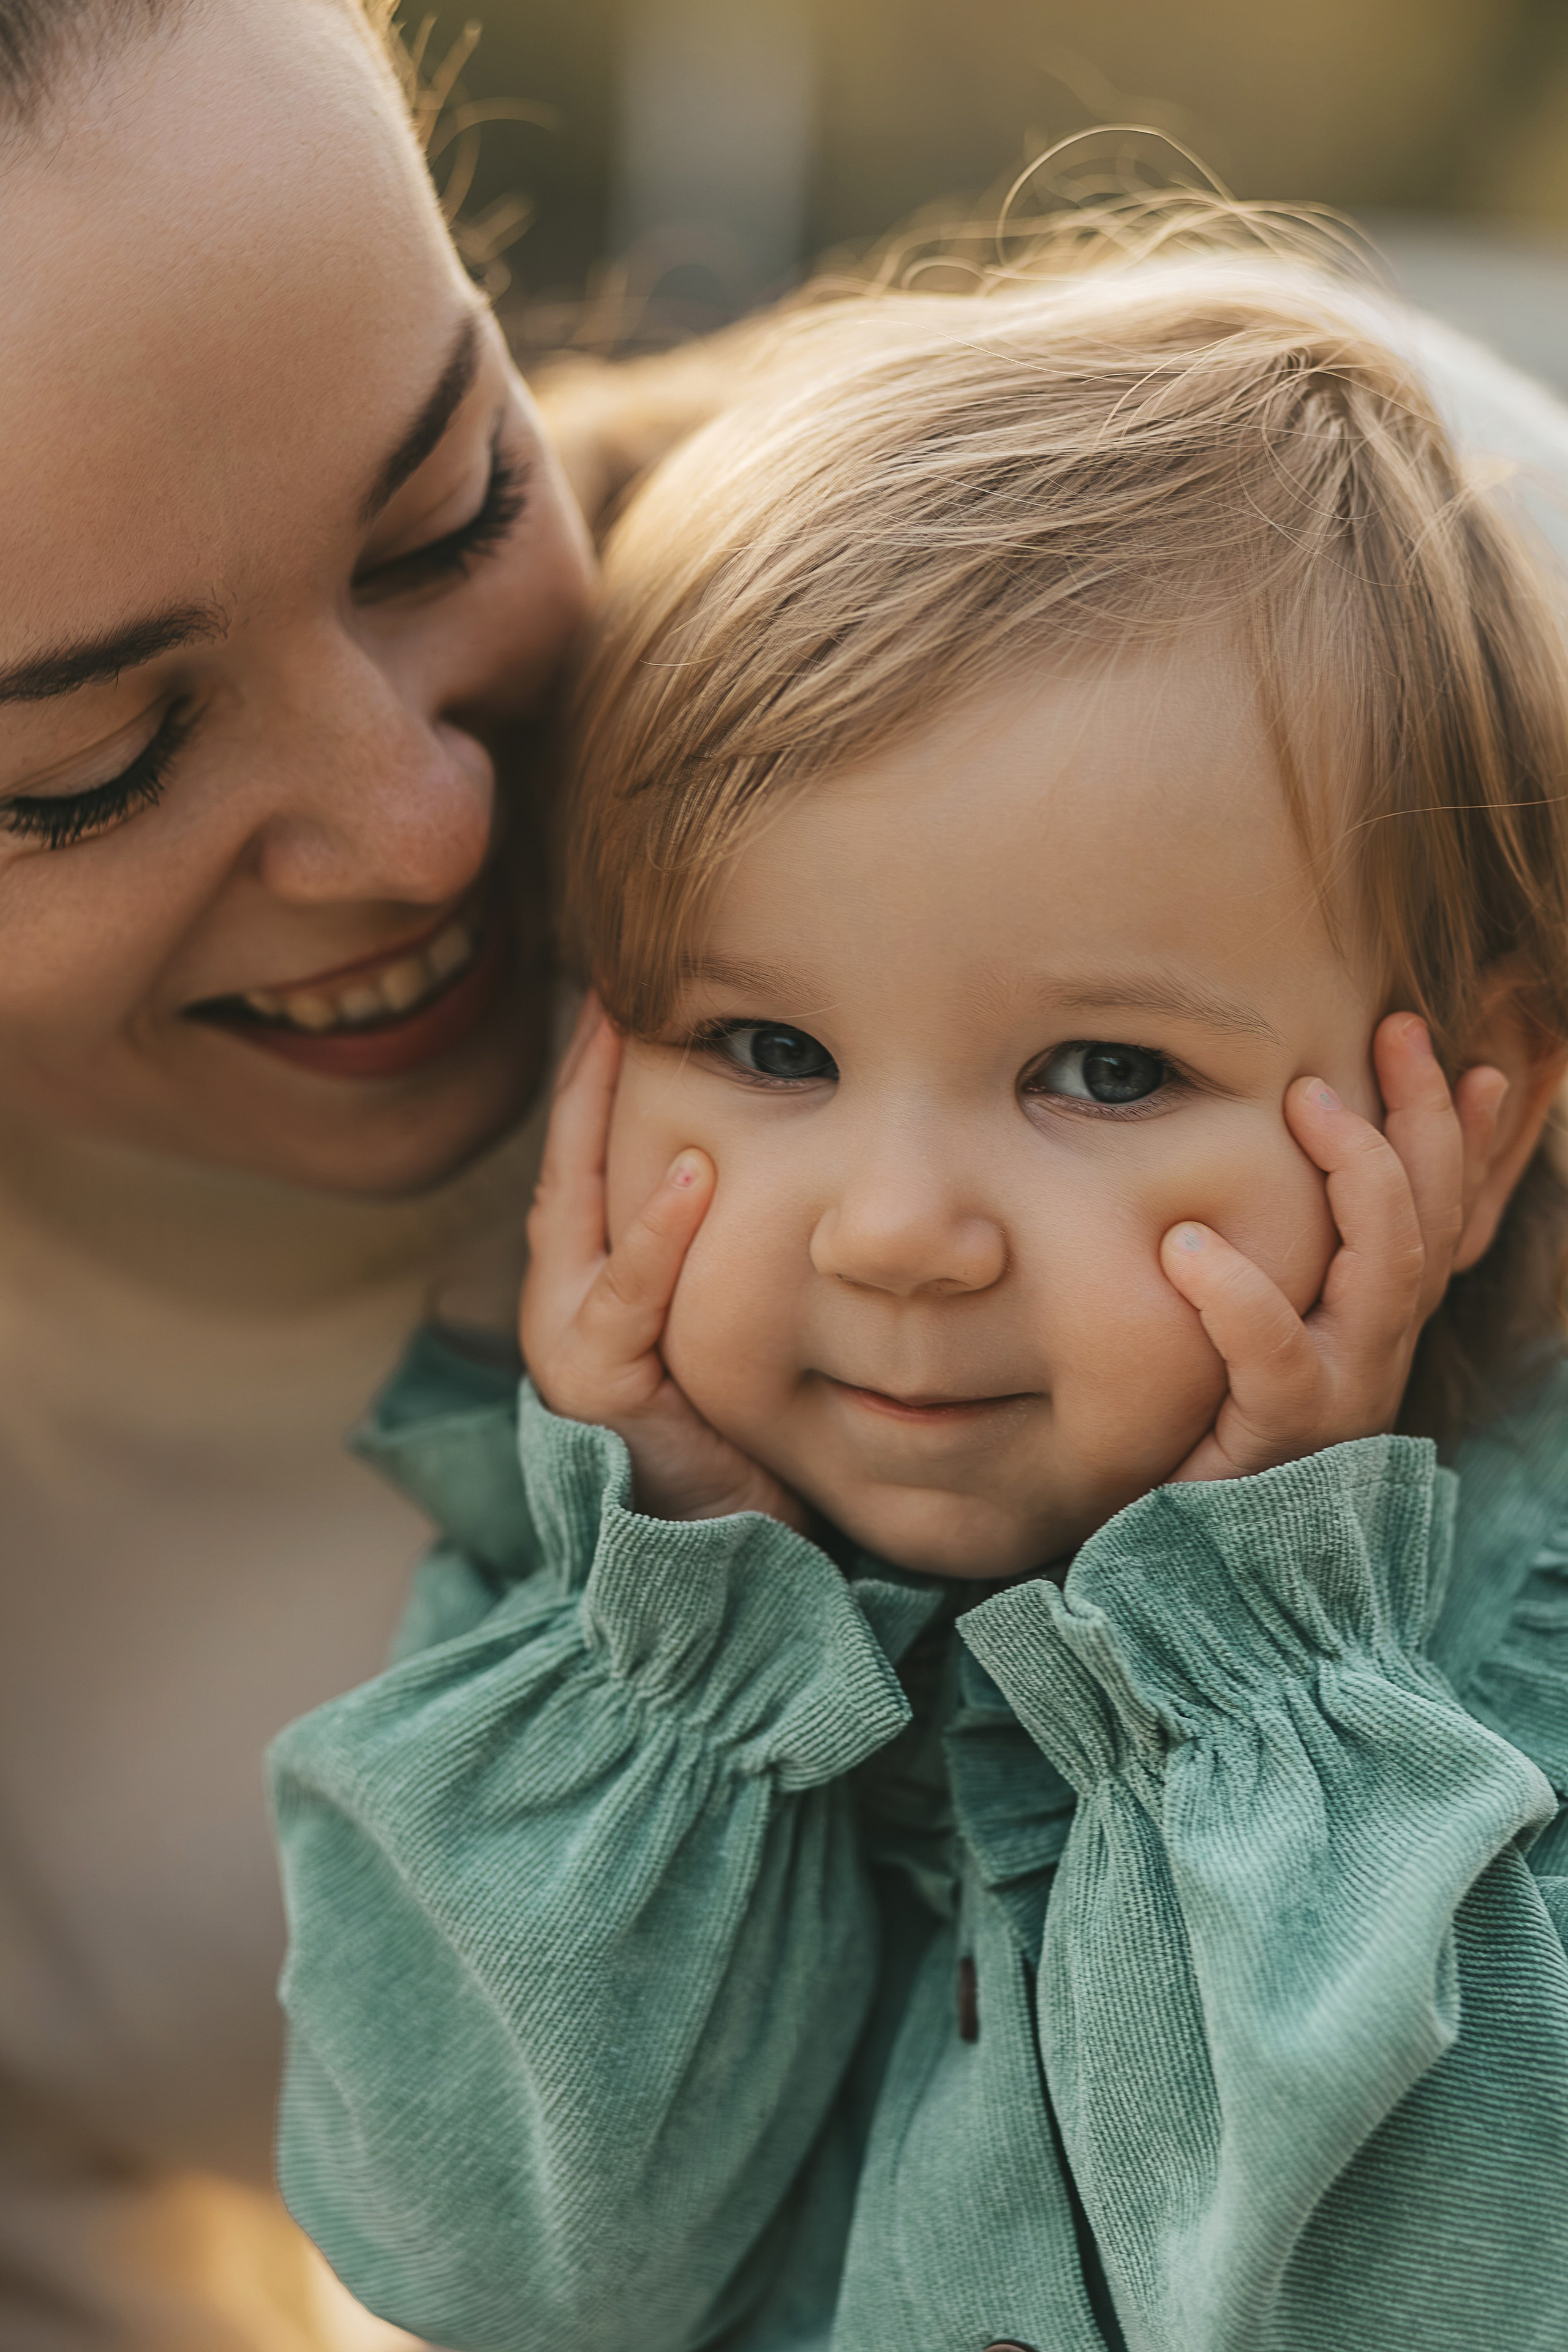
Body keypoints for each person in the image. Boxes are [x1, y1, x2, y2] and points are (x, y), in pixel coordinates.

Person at [0, 5, 1566, 2348]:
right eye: (91, 762)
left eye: (450, 514)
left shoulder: (1324, 587)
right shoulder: (586, 1601)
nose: (436, 836)